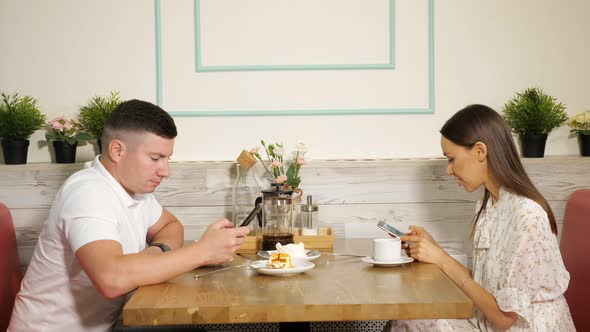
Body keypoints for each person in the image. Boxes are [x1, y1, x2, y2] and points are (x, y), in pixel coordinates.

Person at [8, 99, 250, 332]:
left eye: (167, 159)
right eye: (155, 158)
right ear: (117, 150)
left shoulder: (134, 190)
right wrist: (202, 251)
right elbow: (111, 279)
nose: (165, 171)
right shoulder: (88, 192)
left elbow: (171, 225)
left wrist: (156, 253)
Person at [385, 104, 575, 331]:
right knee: (409, 317)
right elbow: (487, 286)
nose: (448, 170)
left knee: (411, 321)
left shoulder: (527, 216)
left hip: (525, 327)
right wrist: (434, 251)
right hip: (489, 323)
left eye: (451, 158)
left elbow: (505, 317)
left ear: (479, 151)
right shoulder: (490, 207)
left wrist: (441, 258)